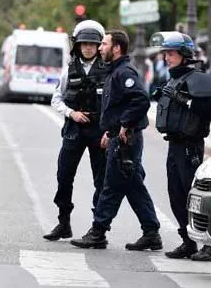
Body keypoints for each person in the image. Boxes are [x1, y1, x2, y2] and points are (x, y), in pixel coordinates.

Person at [70, 30, 162, 250]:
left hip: (126, 139)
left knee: (110, 185)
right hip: (119, 137)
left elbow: (140, 100)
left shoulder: (124, 72)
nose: (100, 48)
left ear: (117, 48)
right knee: (132, 185)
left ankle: (98, 232)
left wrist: (124, 125)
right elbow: (117, 107)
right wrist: (110, 132)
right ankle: (151, 232)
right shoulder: (115, 71)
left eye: (104, 44)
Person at [43, 20, 108, 241]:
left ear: (99, 45)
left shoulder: (108, 70)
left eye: (92, 44)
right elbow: (56, 99)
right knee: (64, 176)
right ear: (77, 46)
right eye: (84, 44)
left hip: (99, 131)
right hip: (74, 129)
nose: (88, 47)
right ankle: (63, 223)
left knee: (100, 179)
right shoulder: (69, 69)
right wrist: (72, 113)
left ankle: (98, 229)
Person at [151, 31, 211, 261]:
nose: (167, 57)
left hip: (190, 147)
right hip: (174, 145)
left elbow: (206, 111)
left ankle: (208, 244)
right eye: (166, 53)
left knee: (195, 197)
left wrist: (183, 99)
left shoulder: (200, 79)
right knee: (175, 195)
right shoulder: (173, 79)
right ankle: (188, 241)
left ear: (184, 54)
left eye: (172, 53)